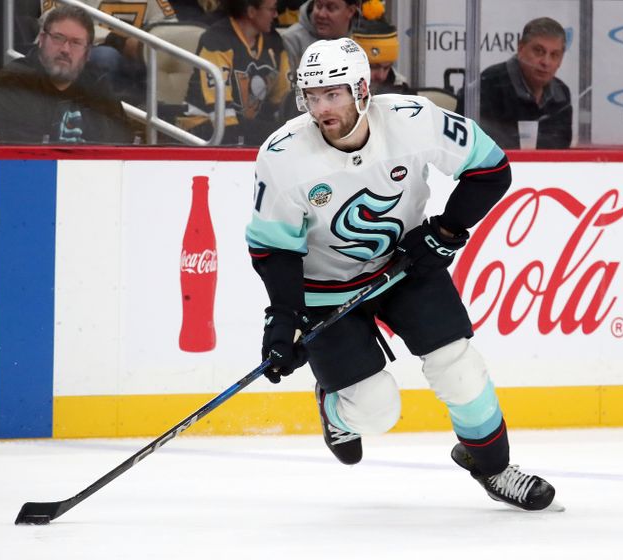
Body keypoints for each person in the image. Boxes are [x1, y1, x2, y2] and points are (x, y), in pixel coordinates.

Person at [245, 37, 559, 511]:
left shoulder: (413, 119)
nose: (321, 108)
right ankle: (336, 412)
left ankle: (492, 465)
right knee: (375, 410)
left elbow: (491, 168)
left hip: (404, 267)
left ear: (362, 90)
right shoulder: (283, 155)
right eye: (312, 95)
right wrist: (284, 317)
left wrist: (447, 229)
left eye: (333, 94)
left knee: (459, 366)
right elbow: (273, 248)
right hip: (323, 288)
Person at [0, 4, 133, 144]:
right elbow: (11, 150)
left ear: (87, 53)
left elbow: (120, 143)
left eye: (76, 43)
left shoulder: (97, 84)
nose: (65, 49)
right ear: (41, 40)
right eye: (58, 38)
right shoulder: (14, 81)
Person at [180, 0, 290, 146]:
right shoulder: (217, 39)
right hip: (203, 127)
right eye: (271, 9)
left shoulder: (274, 42)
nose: (276, 14)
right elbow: (219, 109)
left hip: (245, 126)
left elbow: (282, 99)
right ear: (251, 11)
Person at [456, 16, 572, 149]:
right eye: (538, 51)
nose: (546, 62)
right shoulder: (489, 84)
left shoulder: (562, 93)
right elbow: (478, 145)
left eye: (554, 55)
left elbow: (561, 147)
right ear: (521, 48)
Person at [39, 0, 178, 108]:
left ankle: (151, 117)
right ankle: (109, 114)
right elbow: (52, 20)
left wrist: (147, 43)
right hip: (84, 50)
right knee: (106, 57)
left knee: (160, 60)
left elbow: (170, 27)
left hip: (134, 61)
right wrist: (118, 40)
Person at [350, 1, 412, 96]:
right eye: (373, 67)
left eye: (387, 67)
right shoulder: (335, 91)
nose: (381, 76)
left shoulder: (403, 91)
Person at [281, 0, 359, 73]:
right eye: (318, 6)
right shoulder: (291, 40)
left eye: (331, 8)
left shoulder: (364, 39)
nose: (321, 14)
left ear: (351, 11)